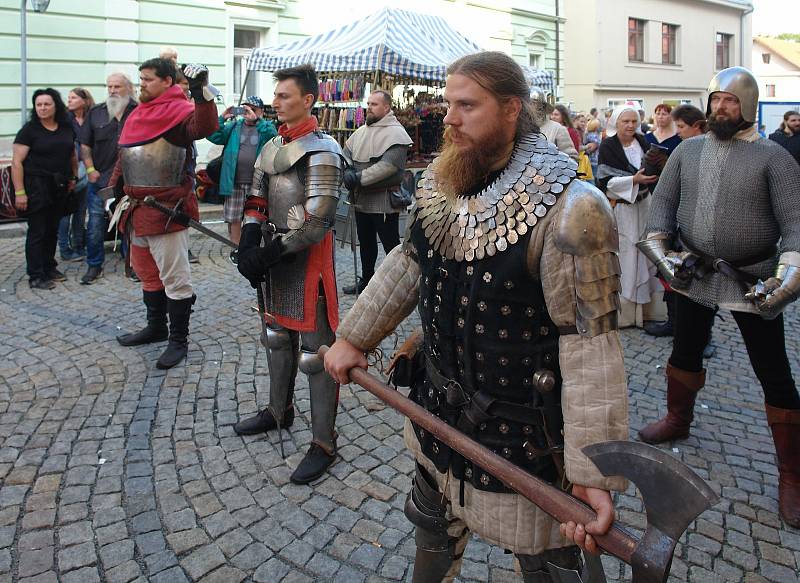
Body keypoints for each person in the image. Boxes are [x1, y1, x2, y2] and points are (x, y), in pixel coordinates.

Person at [324, 51, 629, 582]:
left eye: (466, 105)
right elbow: (410, 262)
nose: (448, 117)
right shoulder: (445, 179)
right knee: (432, 536)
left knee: (551, 565)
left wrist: (591, 472)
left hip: (529, 438)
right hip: (438, 411)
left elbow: (589, 347)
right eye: (448, 102)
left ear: (512, 108)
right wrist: (354, 336)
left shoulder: (573, 208)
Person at [637, 67, 800, 528]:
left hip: (750, 277)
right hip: (695, 271)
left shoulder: (774, 158)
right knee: (684, 350)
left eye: (730, 101)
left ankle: (792, 474)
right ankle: (677, 418)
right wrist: (664, 253)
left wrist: (787, 279)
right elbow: (663, 206)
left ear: (746, 106)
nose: (721, 109)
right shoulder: (688, 151)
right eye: (716, 100)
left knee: (774, 372)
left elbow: (796, 223)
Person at [234, 64, 345, 485]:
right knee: (277, 337)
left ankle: (323, 443)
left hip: (306, 260)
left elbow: (317, 221)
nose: (275, 101)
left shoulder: (324, 150)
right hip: (274, 256)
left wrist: (271, 253)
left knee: (316, 354)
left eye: (283, 95)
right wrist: (249, 240)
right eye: (276, 95)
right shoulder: (271, 147)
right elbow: (258, 200)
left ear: (308, 101)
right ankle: (279, 411)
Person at [111, 58, 219, 369]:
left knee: (175, 279)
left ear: (167, 82)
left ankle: (178, 341)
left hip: (167, 210)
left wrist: (199, 92)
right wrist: (112, 193)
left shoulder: (180, 112)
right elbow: (126, 155)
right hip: (136, 209)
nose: (141, 83)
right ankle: (156, 327)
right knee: (147, 274)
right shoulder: (138, 113)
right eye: (141, 78)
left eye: (147, 79)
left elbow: (205, 126)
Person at [341, 89, 412, 295]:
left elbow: (388, 166)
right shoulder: (361, 131)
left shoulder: (396, 133)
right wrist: (347, 171)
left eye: (374, 104)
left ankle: (399, 285)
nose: (368, 107)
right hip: (362, 199)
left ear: (386, 107)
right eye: (368, 103)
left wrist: (358, 178)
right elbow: (346, 156)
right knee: (366, 242)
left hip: (383, 199)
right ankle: (367, 280)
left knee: (391, 245)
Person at [596, 106, 660, 328]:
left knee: (646, 251)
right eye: (626, 121)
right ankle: (625, 313)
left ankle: (647, 311)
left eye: (634, 121)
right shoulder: (608, 146)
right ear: (617, 122)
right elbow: (605, 181)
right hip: (623, 210)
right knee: (626, 253)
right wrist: (633, 180)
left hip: (644, 206)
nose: (631, 125)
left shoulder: (643, 143)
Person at [11, 89, 78, 290]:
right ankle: (36, 274)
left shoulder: (66, 128)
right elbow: (16, 162)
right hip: (36, 187)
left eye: (46, 104)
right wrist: (20, 192)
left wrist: (74, 177)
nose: (42, 108)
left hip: (59, 186)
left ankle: (49, 266)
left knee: (52, 230)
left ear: (55, 105)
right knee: (38, 231)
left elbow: (72, 155)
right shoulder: (29, 131)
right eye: (38, 104)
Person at [80, 73, 137, 284]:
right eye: (110, 86)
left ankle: (131, 264)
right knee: (95, 225)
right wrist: (90, 169)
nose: (113, 90)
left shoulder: (139, 111)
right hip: (101, 181)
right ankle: (94, 266)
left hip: (131, 181)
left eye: (117, 86)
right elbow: (85, 145)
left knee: (130, 226)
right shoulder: (96, 113)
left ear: (128, 88)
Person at [207, 96, 277, 245]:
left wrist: (257, 121)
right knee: (234, 217)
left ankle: (251, 245)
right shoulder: (234, 126)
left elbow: (273, 136)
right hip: (234, 182)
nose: (248, 112)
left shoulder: (265, 127)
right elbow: (213, 135)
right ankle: (236, 246)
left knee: (256, 216)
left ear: (261, 111)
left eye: (253, 109)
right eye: (246, 108)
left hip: (257, 183)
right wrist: (221, 118)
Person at [58, 87, 94, 262]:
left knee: (81, 211)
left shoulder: (91, 118)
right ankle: (65, 248)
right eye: (69, 98)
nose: (69, 100)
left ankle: (79, 245)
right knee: (65, 212)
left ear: (84, 100)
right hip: (69, 171)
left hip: (88, 169)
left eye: (73, 98)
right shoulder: (65, 120)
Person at [530, 89, 578, 160]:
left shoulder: (557, 128)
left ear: (542, 106)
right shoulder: (520, 128)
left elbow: (571, 158)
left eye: (534, 103)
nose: (531, 107)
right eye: (529, 103)